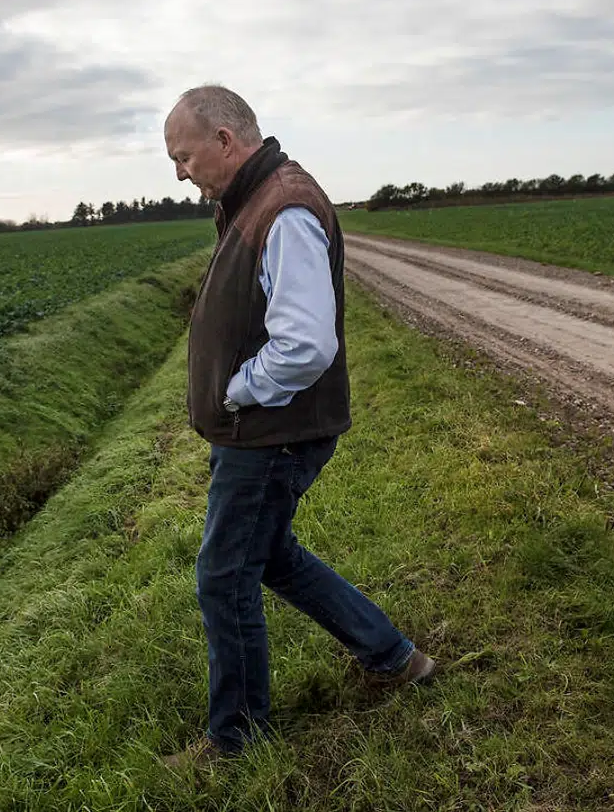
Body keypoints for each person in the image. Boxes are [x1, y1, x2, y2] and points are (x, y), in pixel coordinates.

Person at [160, 86, 435, 769]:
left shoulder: (282, 208)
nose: (179, 173)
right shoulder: (254, 200)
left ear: (226, 140)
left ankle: (236, 739)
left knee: (224, 575)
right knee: (268, 554)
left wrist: (237, 389)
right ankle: (394, 657)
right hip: (261, 429)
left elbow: (306, 345)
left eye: (184, 156)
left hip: (270, 432)